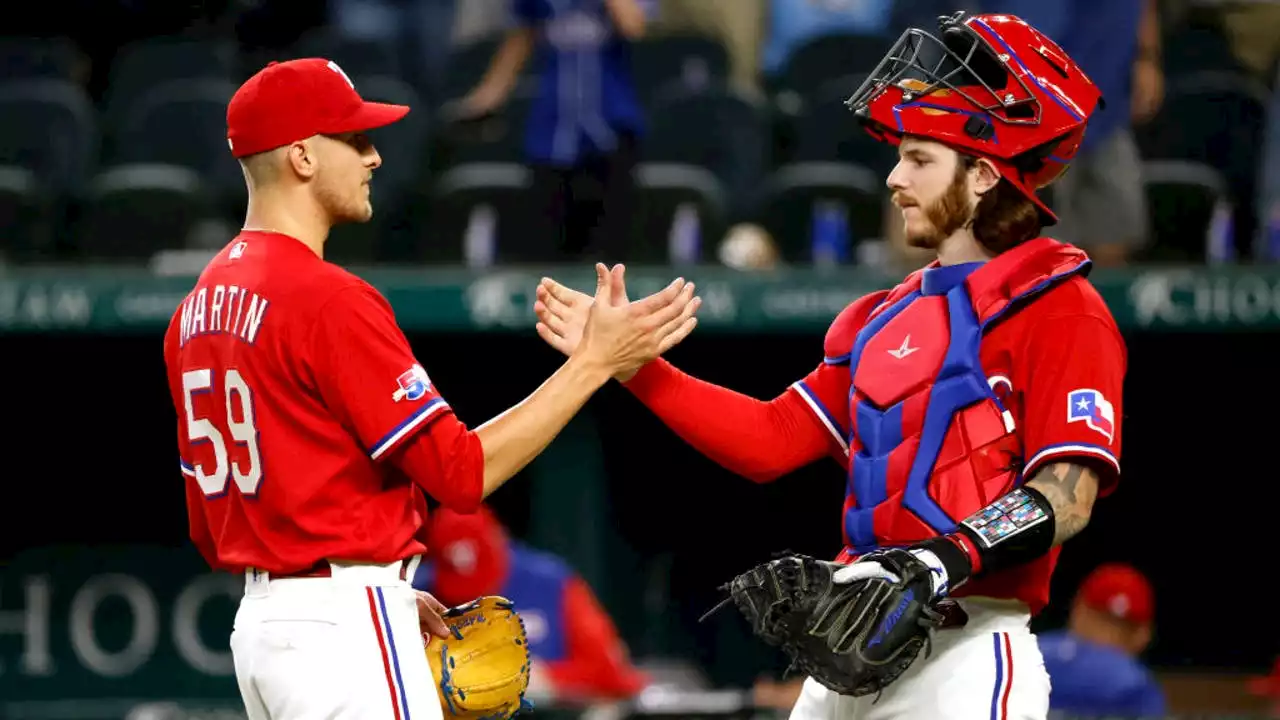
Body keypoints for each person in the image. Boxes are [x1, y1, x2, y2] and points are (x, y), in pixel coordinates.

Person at [534, 11, 1126, 719]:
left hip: (969, 652)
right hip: (853, 647)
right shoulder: (879, 318)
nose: (893, 178)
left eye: (917, 157)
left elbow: (1067, 496)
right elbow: (770, 440)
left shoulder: (1062, 306)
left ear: (983, 174)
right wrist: (634, 367)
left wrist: (939, 560)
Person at [162, 57, 699, 720]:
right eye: (353, 139)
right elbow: (460, 474)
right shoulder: (326, 298)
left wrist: (377, 590)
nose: (374, 156)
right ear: (301, 157)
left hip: (265, 629)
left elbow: (217, 516)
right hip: (341, 631)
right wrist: (592, 362)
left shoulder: (197, 307)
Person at [456, 0, 653, 262]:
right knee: (547, 245)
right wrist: (489, 95)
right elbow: (522, 36)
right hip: (551, 131)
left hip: (611, 127)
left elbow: (634, 25)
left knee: (610, 251)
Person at [412, 505, 650, 704]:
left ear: (501, 544)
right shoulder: (416, 595)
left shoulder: (552, 584)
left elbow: (613, 674)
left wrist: (546, 679)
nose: (473, 603)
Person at [1037, 564, 1166, 718]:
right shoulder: (1133, 683)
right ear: (1143, 635)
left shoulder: (1023, 654)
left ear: (1078, 610)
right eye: (1103, 621)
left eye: (1121, 628)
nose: (1107, 634)